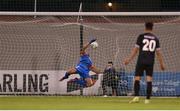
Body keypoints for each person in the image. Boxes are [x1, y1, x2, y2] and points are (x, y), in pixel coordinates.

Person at [124, 22, 165, 104]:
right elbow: (158, 53)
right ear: (152, 28)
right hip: (150, 61)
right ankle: (147, 99)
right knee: (149, 79)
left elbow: (135, 50)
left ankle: (136, 97)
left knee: (137, 78)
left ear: (145, 27)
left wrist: (128, 59)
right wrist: (162, 64)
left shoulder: (141, 36)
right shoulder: (155, 38)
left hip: (141, 60)